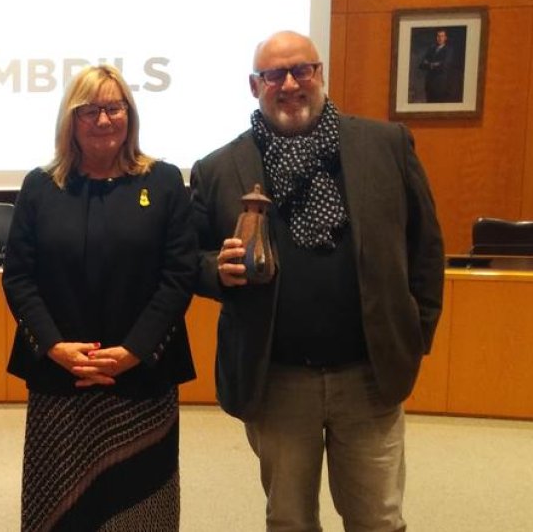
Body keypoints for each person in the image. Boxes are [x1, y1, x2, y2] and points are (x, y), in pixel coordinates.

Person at [190, 31, 445, 531]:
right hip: (277, 379)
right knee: (289, 520)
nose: (289, 84)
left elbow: (426, 246)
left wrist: (418, 333)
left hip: (369, 374)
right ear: (253, 85)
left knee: (378, 518)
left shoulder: (385, 144)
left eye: (301, 70)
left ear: (320, 73)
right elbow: (187, 260)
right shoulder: (219, 168)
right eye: (273, 75)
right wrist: (214, 270)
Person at [3, 64, 197, 532]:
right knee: (61, 510)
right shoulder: (40, 186)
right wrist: (54, 347)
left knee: (141, 509)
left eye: (114, 108)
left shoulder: (165, 181)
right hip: (59, 377)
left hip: (141, 377)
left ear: (129, 114)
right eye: (89, 110)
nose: (104, 119)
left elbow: (178, 276)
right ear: (70, 120)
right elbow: (19, 278)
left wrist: (133, 351)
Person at [417, 29, 458, 102]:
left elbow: (444, 66)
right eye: (438, 36)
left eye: (442, 36)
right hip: (429, 84)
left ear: (445, 38)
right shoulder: (431, 49)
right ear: (436, 37)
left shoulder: (449, 50)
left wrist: (429, 64)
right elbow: (421, 65)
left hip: (441, 85)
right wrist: (434, 64)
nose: (440, 38)